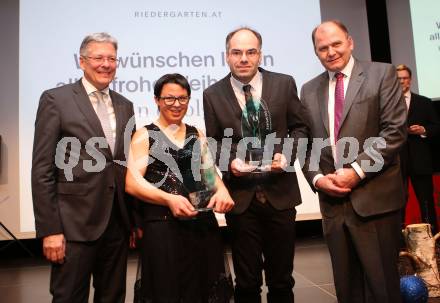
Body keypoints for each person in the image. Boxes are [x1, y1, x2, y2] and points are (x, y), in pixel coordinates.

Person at [300, 20, 407, 303]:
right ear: (316, 52)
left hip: (375, 200)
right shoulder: (308, 90)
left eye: (336, 44)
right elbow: (305, 145)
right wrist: (318, 179)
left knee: (382, 288)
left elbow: (394, 133)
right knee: (347, 291)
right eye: (323, 48)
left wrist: (356, 171)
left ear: (350, 42)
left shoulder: (381, 74)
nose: (331, 52)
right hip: (333, 204)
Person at [203, 27, 308, 303]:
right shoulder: (212, 94)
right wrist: (230, 163)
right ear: (227, 56)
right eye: (237, 52)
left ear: (260, 54)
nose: (244, 58)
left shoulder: (284, 84)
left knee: (282, 280)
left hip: (280, 195)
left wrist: (285, 156)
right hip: (241, 199)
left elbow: (299, 128)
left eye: (250, 52)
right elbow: (214, 143)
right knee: (247, 283)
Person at [31, 33, 135, 302]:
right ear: (82, 61)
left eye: (111, 58)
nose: (106, 64)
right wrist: (50, 230)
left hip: (116, 223)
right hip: (72, 225)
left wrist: (133, 220)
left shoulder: (125, 105)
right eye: (98, 57)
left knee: (112, 296)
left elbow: (124, 165)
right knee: (68, 297)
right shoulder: (56, 100)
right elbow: (42, 169)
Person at [125, 73, 234, 303]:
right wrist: (168, 199)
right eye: (169, 99)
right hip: (162, 229)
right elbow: (132, 183)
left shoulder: (196, 134)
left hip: (201, 225)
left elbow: (209, 175)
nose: (177, 105)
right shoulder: (145, 135)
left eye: (182, 99)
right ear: (157, 100)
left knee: (203, 289)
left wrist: (222, 190)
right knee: (167, 291)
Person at [396, 64, 440, 234]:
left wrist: (423, 130)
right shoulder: (386, 104)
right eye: (398, 79)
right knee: (398, 201)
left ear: (410, 80)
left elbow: (436, 126)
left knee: (426, 200)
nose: (402, 82)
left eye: (405, 78)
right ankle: (398, 240)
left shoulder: (424, 102)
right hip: (397, 160)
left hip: (420, 159)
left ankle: (433, 237)